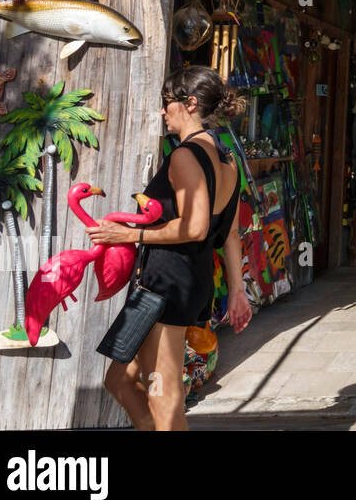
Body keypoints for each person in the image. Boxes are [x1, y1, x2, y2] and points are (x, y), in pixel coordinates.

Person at [90, 65, 252, 430]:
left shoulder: (185, 156)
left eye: (168, 103)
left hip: (168, 283)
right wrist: (238, 292)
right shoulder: (228, 161)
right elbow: (229, 234)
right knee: (119, 380)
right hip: (181, 282)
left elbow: (195, 228)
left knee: (163, 394)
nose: (163, 112)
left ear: (190, 104)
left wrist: (128, 235)